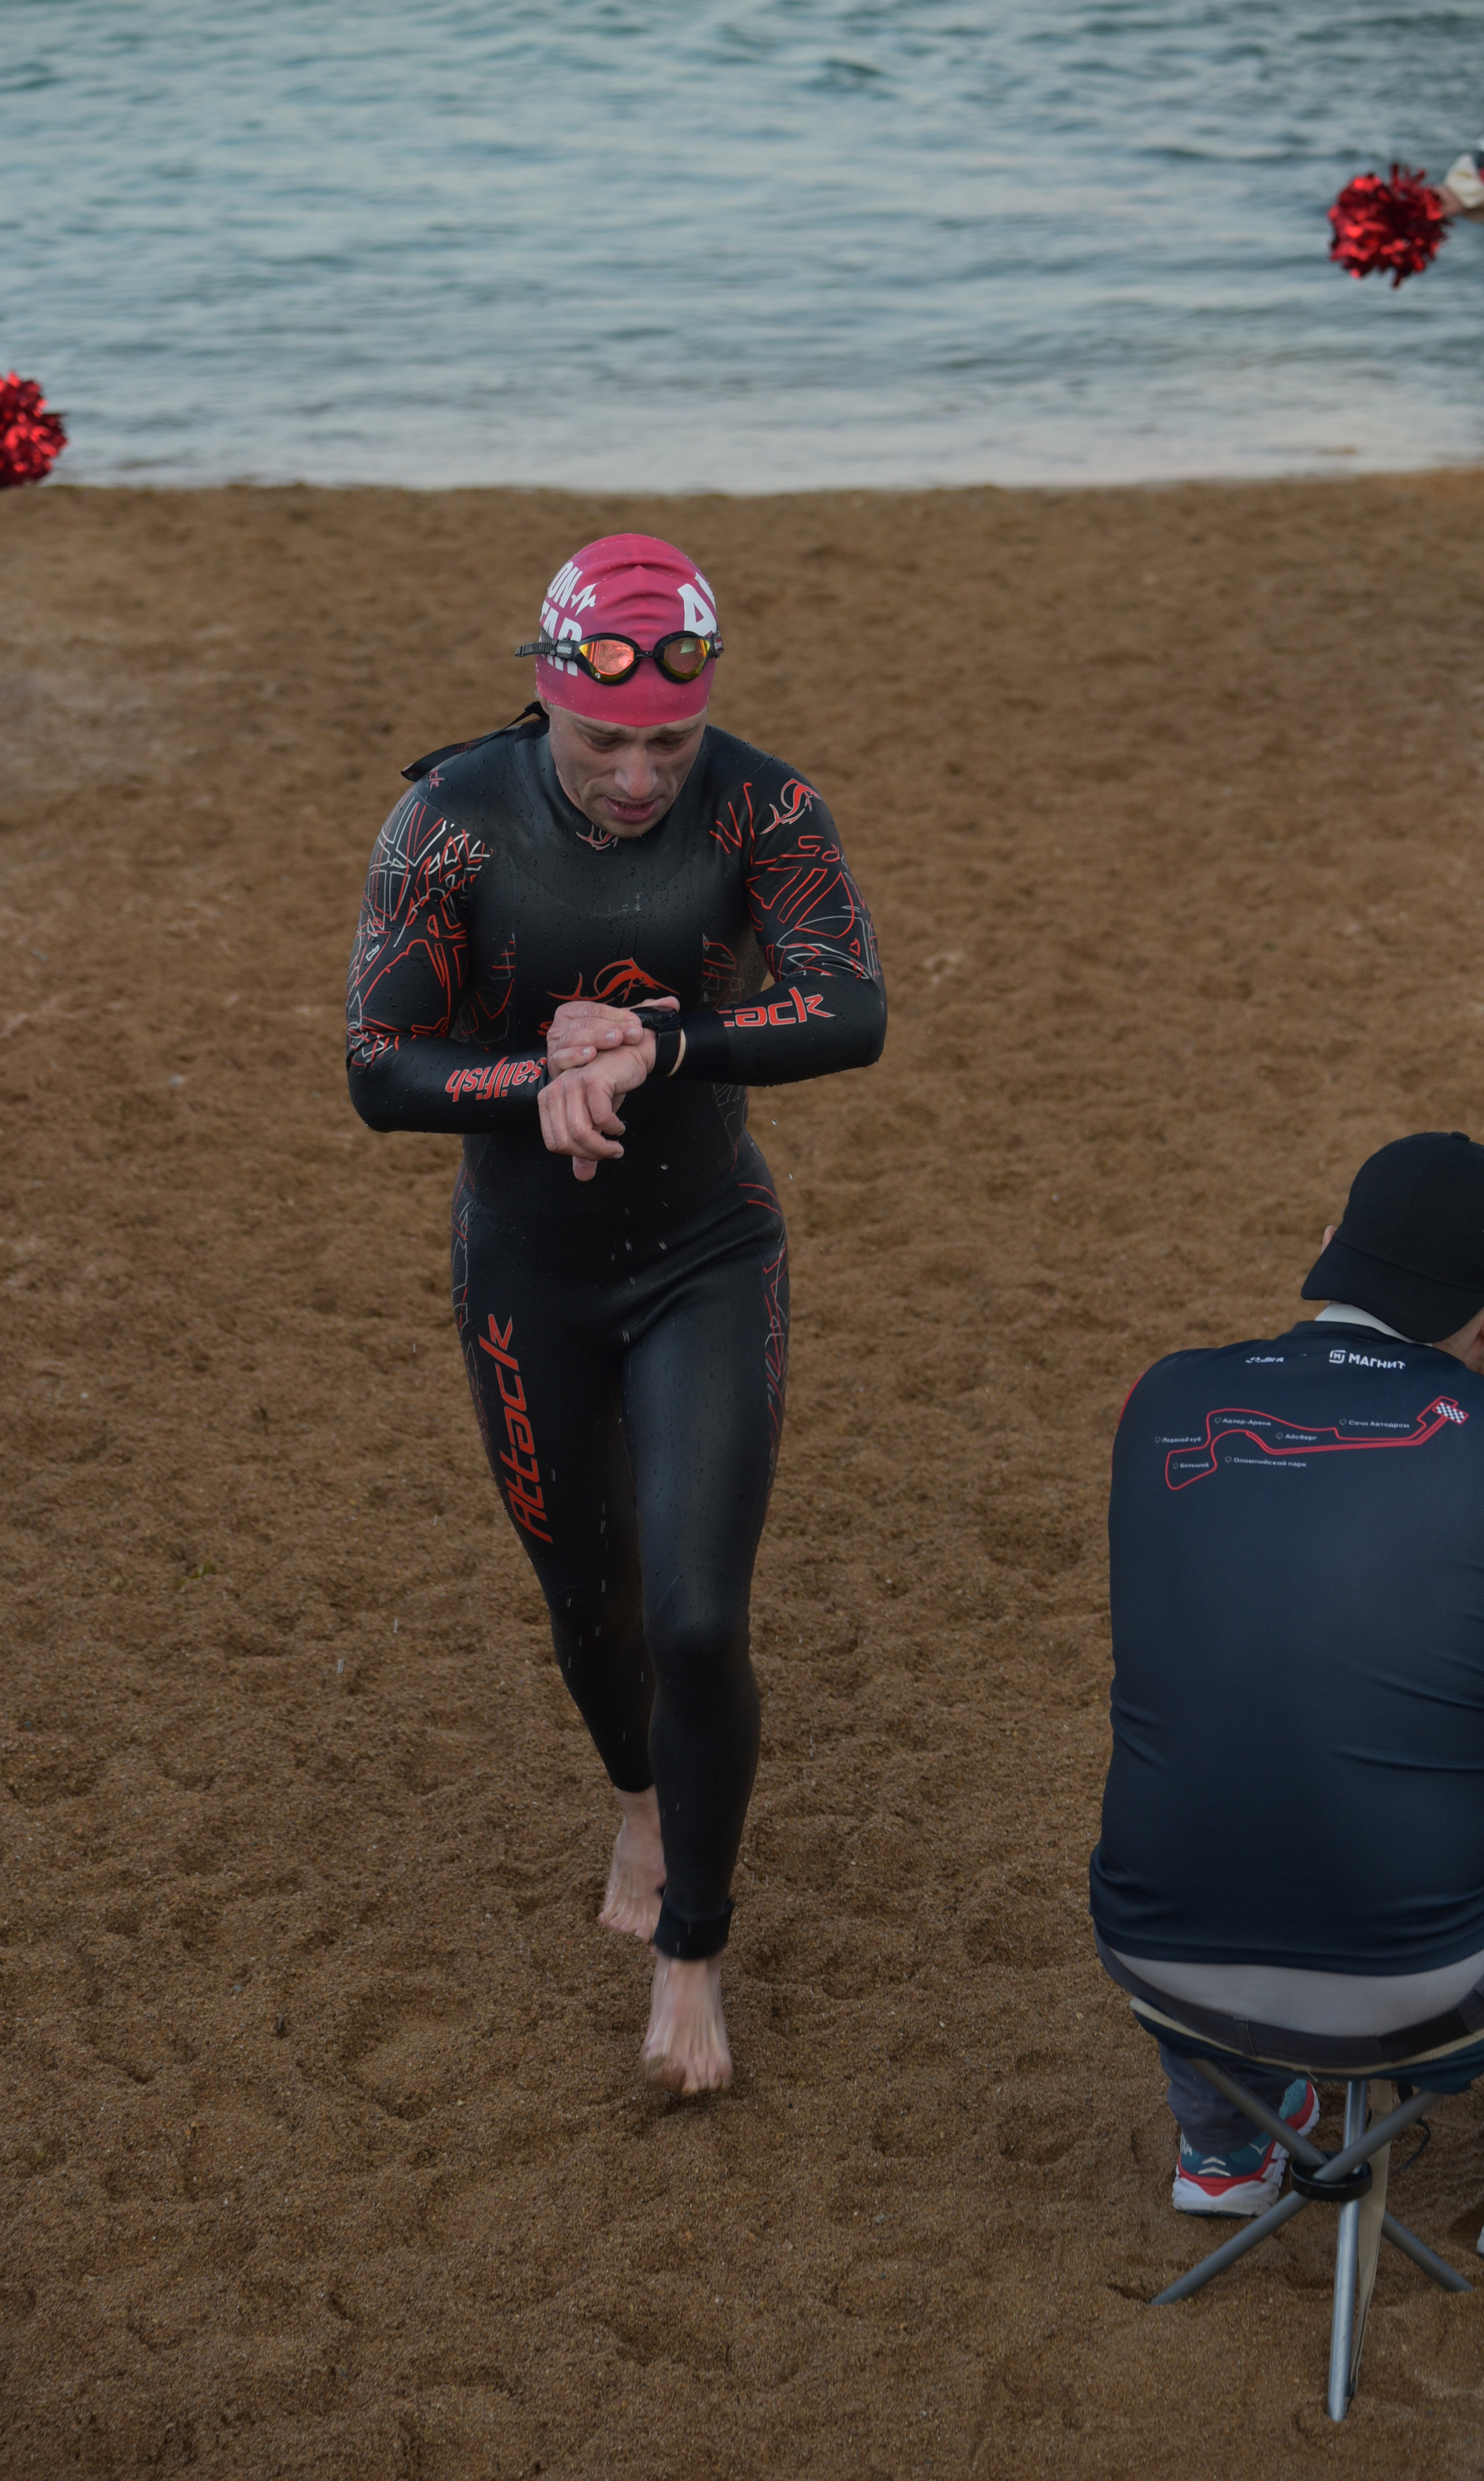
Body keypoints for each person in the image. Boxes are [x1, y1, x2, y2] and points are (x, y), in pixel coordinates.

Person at [345, 533, 886, 2093]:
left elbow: (847, 1006)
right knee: (593, 1604)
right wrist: (539, 1077)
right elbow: (383, 1064)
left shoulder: (762, 803)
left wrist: (660, 1044)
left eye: (669, 738)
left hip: (707, 1247)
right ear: (543, 699)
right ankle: (638, 1795)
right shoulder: (446, 819)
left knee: (699, 1612)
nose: (641, 774)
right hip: (527, 1270)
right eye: (603, 742)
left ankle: (690, 1955)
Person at [1091, 1132, 1484, 2217]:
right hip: (1423, 1981)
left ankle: (1225, 2142)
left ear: (1327, 1247)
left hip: (1160, 1957)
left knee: (1228, 1713)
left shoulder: (1158, 1395)